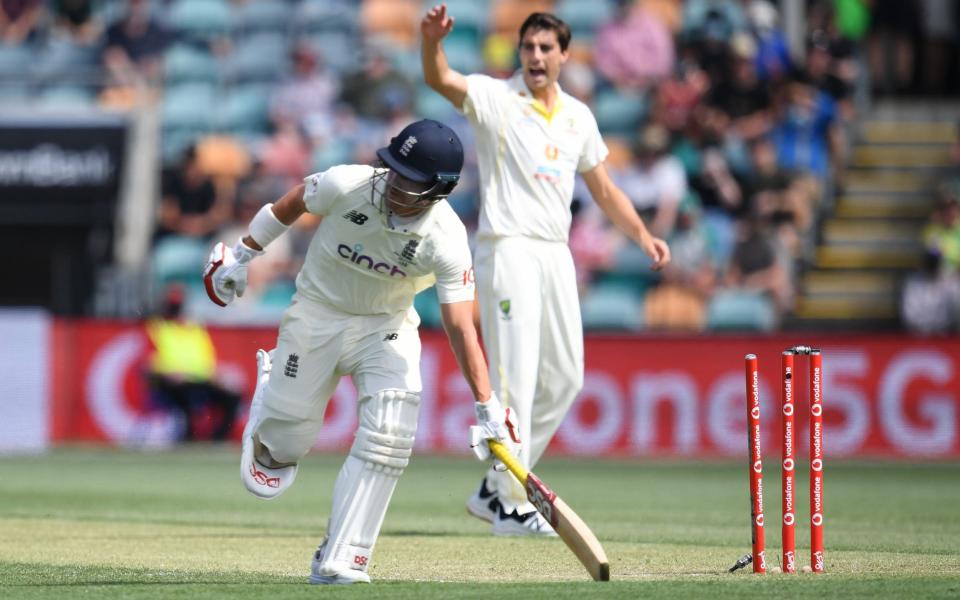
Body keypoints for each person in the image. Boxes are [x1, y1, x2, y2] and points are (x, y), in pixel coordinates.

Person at [202, 119, 518, 584]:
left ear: (438, 190)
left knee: (391, 427)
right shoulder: (347, 183)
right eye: (392, 169)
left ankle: (343, 556)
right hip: (318, 312)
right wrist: (243, 253)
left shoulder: (447, 240)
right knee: (275, 459)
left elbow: (460, 326)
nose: (392, 183)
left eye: (408, 179)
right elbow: (293, 203)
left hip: (385, 327)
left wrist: (488, 405)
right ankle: (273, 401)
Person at [421, 6, 670, 535]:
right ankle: (510, 502)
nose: (535, 57)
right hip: (507, 248)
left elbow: (604, 189)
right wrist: (431, 42)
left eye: (545, 49)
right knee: (516, 381)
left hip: (556, 253)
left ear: (563, 55)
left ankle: (495, 485)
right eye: (528, 47)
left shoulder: (578, 116)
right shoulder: (495, 98)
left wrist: (642, 235)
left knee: (566, 378)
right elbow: (438, 77)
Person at [145, 284, 240, 441]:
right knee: (186, 397)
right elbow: (149, 363)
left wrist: (217, 375)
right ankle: (188, 438)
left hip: (199, 380)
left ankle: (218, 440)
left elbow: (207, 360)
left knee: (232, 397)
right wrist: (168, 373)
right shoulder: (156, 327)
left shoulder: (195, 328)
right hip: (171, 383)